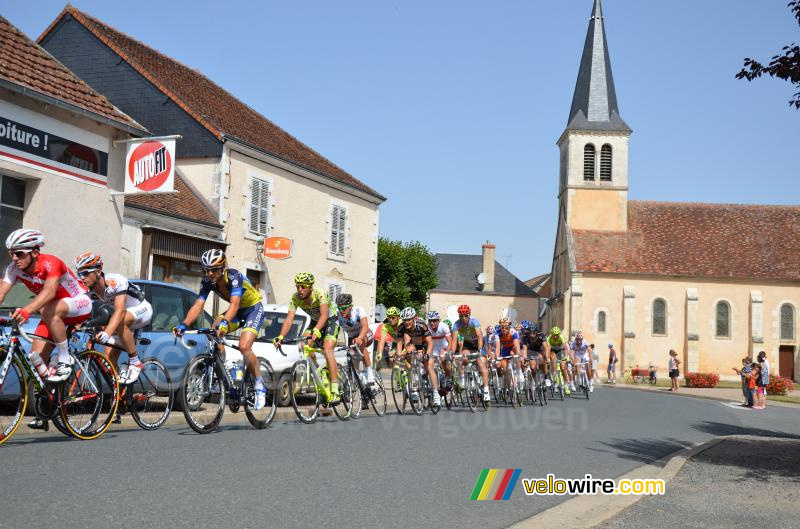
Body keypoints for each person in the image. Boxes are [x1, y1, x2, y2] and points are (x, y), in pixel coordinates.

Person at [0, 229, 93, 430]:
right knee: (36, 357)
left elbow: (50, 292)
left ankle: (65, 357)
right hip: (52, 314)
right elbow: (1, 292)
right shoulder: (14, 269)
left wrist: (26, 310)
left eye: (19, 253)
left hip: (78, 304)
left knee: (49, 307)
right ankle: (49, 403)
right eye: (11, 253)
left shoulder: (51, 263)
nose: (14, 258)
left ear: (34, 252)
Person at [176, 249, 267, 410]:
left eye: (214, 269)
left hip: (252, 309)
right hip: (237, 311)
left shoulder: (233, 276)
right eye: (206, 270)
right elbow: (198, 305)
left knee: (244, 346)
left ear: (223, 267)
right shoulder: (207, 282)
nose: (210, 273)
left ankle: (259, 385)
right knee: (213, 331)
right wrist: (184, 325)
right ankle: (224, 371)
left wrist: (225, 322)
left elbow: (235, 304)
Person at [74, 252, 152, 384]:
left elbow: (120, 310)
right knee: (108, 359)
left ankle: (135, 361)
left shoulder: (115, 281)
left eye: (85, 273)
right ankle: (118, 396)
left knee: (120, 319)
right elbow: (81, 312)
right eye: (79, 274)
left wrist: (107, 332)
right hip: (121, 319)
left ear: (98, 271)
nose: (82, 278)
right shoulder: (87, 290)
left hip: (142, 310)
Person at [274, 272, 341, 402]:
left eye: (303, 286)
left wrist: (316, 330)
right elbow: (289, 319)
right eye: (297, 286)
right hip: (315, 322)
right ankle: (318, 370)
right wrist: (281, 336)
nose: (300, 290)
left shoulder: (319, 293)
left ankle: (335, 387)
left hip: (330, 320)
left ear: (310, 287)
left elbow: (324, 315)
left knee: (327, 350)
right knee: (303, 345)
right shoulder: (295, 298)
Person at [398, 307, 439, 406]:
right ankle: (414, 379)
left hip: (425, 343)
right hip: (415, 342)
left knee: (429, 366)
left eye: (408, 320)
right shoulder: (402, 327)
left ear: (414, 318)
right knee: (408, 352)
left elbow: (430, 343)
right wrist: (399, 354)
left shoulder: (422, 325)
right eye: (404, 320)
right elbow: (401, 343)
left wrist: (427, 355)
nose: (406, 322)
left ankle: (435, 393)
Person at [451, 304, 489, 402]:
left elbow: (479, 336)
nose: (464, 318)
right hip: (467, 344)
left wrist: (480, 350)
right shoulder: (457, 324)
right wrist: (452, 352)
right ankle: (463, 379)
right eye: (461, 316)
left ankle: (486, 390)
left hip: (477, 343)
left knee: (481, 364)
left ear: (469, 314)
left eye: (466, 315)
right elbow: (454, 340)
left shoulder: (474, 321)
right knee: (463, 358)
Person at [335, 293, 375, 385]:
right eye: (339, 308)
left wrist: (360, 338)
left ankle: (369, 372)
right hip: (352, 337)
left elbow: (365, 326)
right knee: (351, 356)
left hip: (365, 334)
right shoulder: (337, 314)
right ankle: (358, 375)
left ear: (350, 307)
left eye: (344, 308)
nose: (341, 311)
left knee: (360, 344)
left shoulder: (358, 311)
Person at [426, 310, 452, 391]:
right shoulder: (427, 327)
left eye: (434, 321)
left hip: (443, 346)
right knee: (429, 364)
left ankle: (448, 378)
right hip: (433, 348)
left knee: (443, 358)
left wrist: (447, 351)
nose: (432, 323)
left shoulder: (443, 326)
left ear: (439, 320)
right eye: (430, 321)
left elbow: (450, 341)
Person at [493, 317, 520, 390]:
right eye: (502, 328)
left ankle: (519, 372)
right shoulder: (497, 333)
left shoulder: (513, 332)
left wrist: (518, 355)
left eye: (506, 328)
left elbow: (516, 345)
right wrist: (498, 359)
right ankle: (509, 388)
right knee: (504, 369)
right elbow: (498, 347)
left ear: (509, 327)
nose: (504, 330)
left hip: (512, 348)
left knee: (514, 354)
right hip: (504, 350)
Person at [547, 326, 571, 395]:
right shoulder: (549, 338)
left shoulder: (561, 337)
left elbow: (566, 348)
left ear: (559, 334)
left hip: (561, 351)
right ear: (552, 334)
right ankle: (554, 376)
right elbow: (548, 349)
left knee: (563, 368)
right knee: (553, 360)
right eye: (554, 335)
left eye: (557, 335)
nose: (555, 336)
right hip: (553, 351)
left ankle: (566, 385)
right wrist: (548, 358)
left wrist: (566, 357)